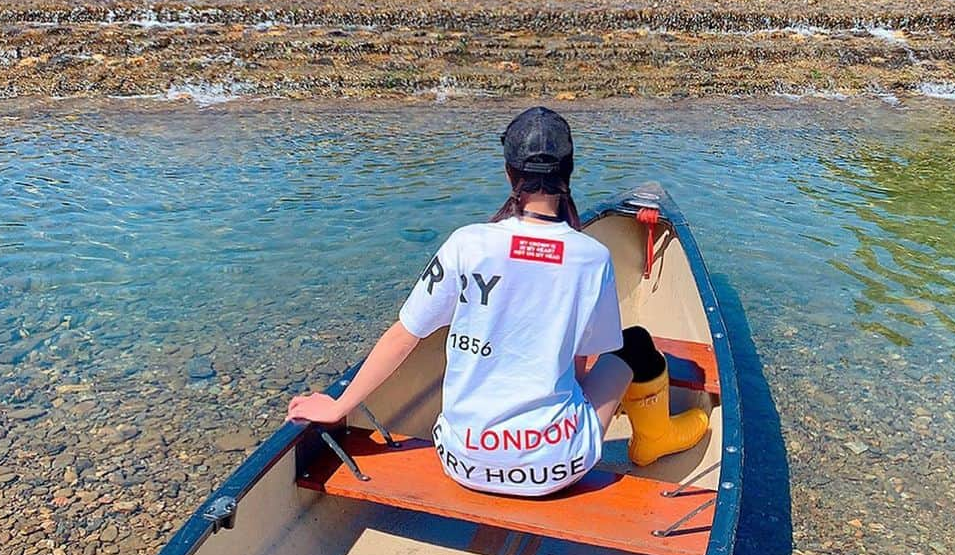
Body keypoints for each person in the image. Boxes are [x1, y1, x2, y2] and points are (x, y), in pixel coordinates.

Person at [286, 106, 707, 496]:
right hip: (557, 468)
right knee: (635, 343)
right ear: (569, 171)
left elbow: (404, 335)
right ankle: (653, 440)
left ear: (510, 174)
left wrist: (340, 404)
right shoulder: (590, 257)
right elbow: (581, 362)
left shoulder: (466, 244)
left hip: (461, 461)